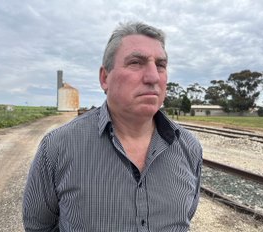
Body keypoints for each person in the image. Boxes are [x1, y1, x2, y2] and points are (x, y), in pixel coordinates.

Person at [23, 21, 202, 232]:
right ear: (105, 78)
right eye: (136, 62)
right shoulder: (57, 147)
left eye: (160, 65)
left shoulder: (189, 148)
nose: (153, 76)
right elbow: (38, 226)